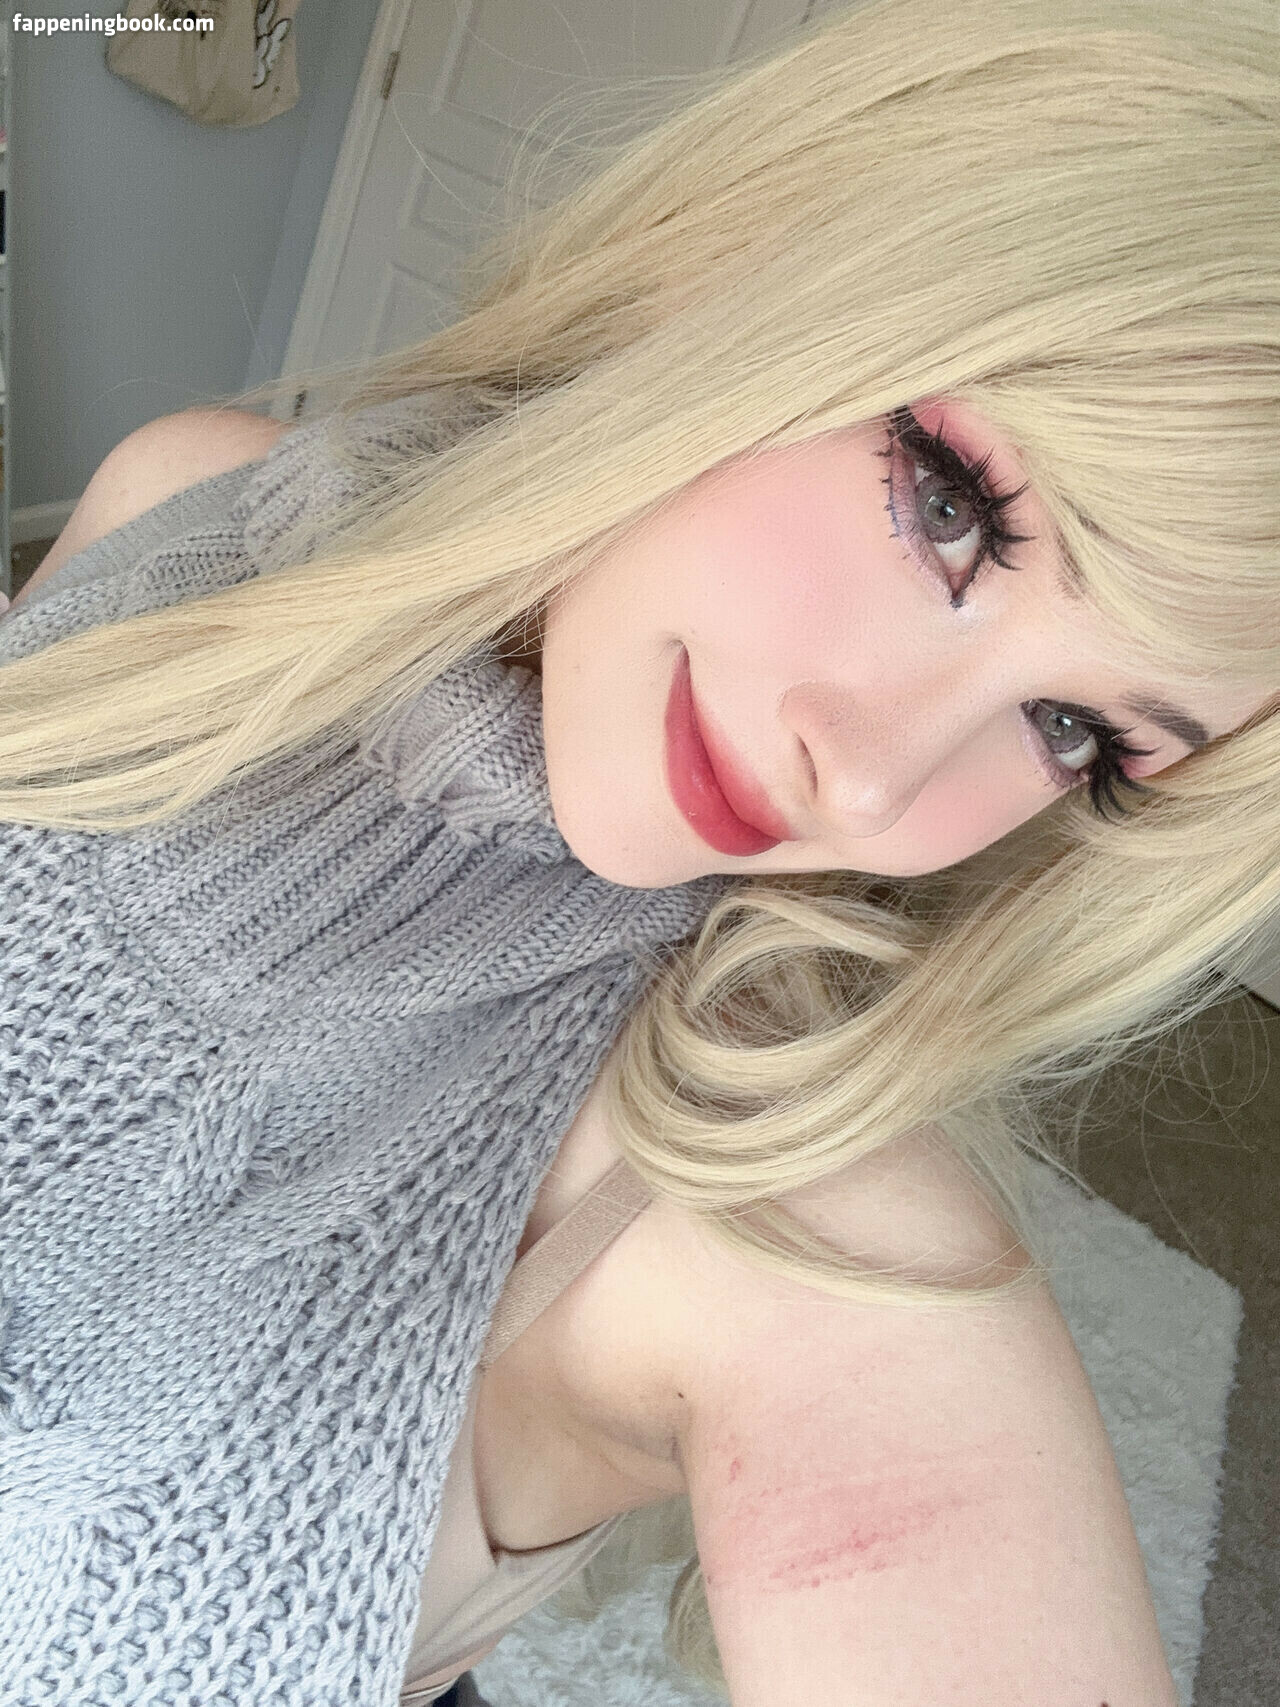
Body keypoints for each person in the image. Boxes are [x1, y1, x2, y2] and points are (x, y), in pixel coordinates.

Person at [1, 0, 1276, 1702]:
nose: (871, 787)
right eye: (952, 508)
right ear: (765, 253)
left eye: (1075, 732)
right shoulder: (188, 501)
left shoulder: (752, 1205)